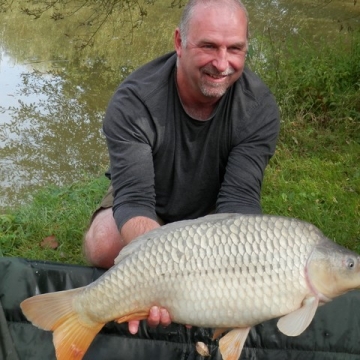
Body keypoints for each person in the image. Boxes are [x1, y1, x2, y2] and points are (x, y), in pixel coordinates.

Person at [84, 0, 280, 335]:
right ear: (179, 42)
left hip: (213, 218)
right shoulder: (134, 102)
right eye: (208, 46)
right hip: (148, 205)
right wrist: (165, 273)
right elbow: (133, 200)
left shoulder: (259, 108)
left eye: (235, 49)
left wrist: (200, 280)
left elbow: (239, 205)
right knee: (103, 242)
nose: (222, 64)